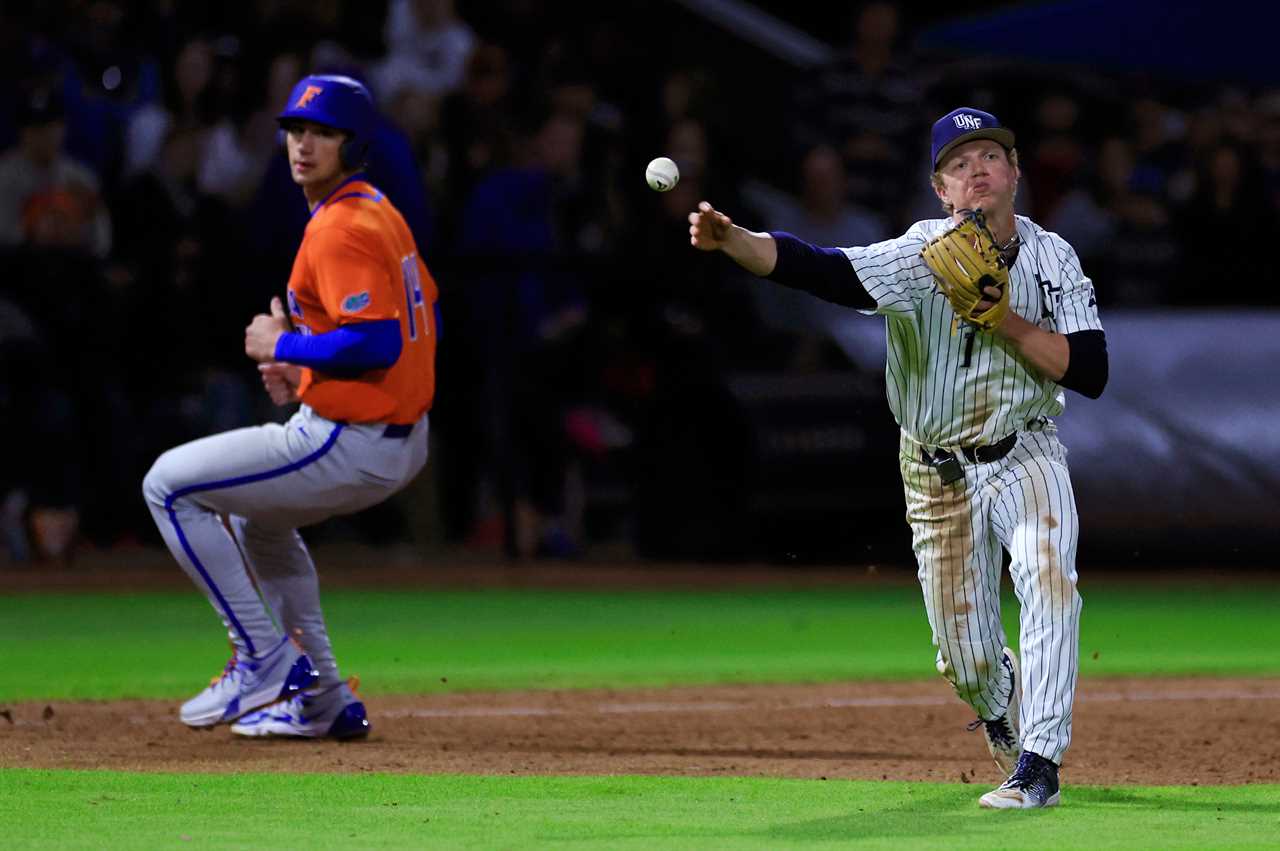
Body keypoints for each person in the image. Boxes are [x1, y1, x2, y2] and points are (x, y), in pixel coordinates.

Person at [688, 107, 1108, 809]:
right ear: (941, 191)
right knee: (967, 662)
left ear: (1015, 174)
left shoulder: (1053, 256)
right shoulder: (923, 255)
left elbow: (1089, 370)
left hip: (1026, 449)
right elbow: (823, 269)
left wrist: (998, 317)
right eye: (958, 163)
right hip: (937, 470)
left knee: (1048, 577)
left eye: (989, 156)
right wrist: (736, 242)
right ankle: (998, 698)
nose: (976, 169)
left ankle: (1040, 763)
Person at [142, 74, 439, 740]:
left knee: (166, 485)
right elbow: (419, 323)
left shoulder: (343, 225)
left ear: (352, 142)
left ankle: (262, 656)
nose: (303, 144)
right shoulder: (377, 211)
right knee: (260, 525)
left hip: (355, 440)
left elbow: (378, 340)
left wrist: (289, 343)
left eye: (323, 132)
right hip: (394, 432)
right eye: (296, 130)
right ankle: (324, 699)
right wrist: (306, 367)